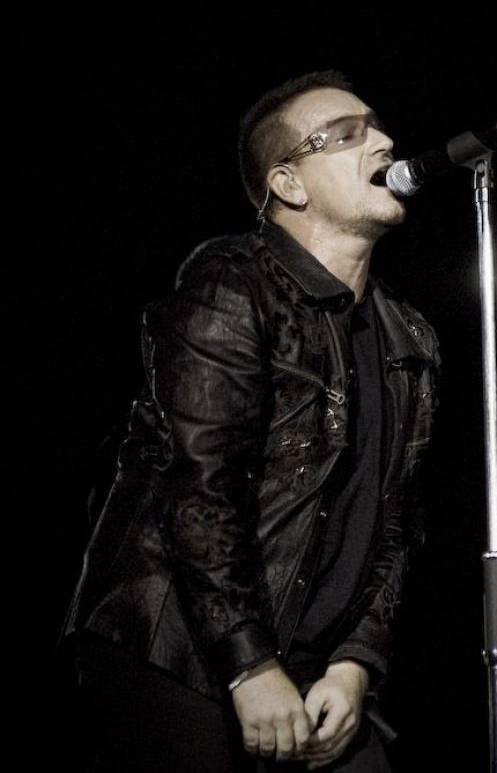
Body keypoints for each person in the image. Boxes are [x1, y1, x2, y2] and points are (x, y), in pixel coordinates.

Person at [60, 69, 440, 772]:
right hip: (179, 648)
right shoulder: (231, 282)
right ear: (288, 184)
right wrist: (249, 666)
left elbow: (394, 518)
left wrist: (356, 663)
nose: (383, 142)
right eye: (346, 134)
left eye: (378, 126)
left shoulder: (408, 336)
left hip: (311, 663)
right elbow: (197, 485)